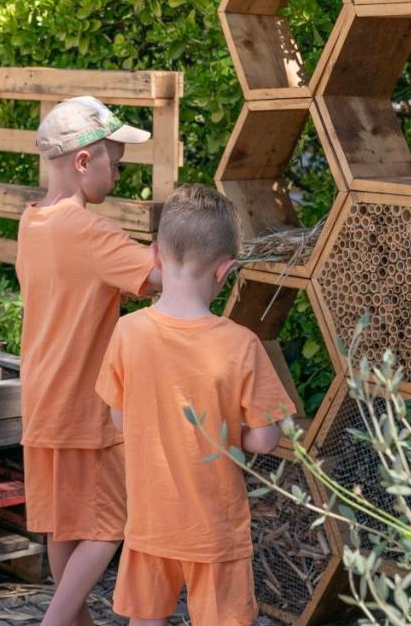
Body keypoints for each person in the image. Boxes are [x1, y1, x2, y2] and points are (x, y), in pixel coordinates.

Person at [96, 184, 295, 626]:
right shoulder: (241, 345)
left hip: (151, 523)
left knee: (145, 619)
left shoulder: (129, 332)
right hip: (216, 530)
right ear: (225, 270)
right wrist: (228, 430)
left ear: (155, 256)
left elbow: (118, 417)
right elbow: (265, 439)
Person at [15, 96, 162, 626]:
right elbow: (163, 275)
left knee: (65, 526)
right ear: (83, 162)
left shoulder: (32, 221)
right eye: (114, 162)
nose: (118, 173)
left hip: (43, 404)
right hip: (87, 409)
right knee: (110, 526)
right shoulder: (91, 232)